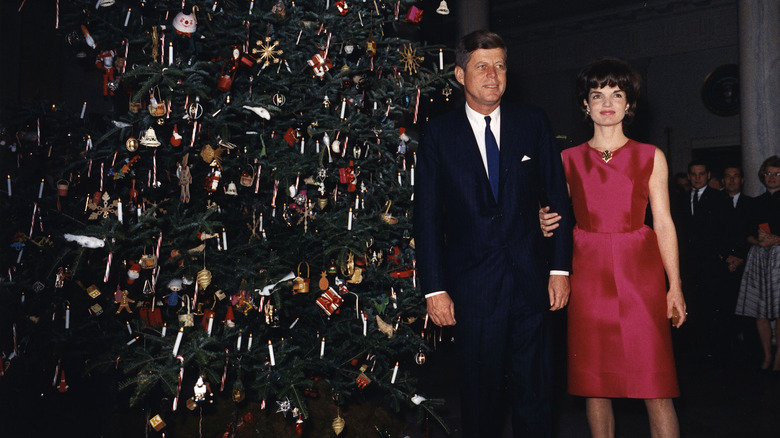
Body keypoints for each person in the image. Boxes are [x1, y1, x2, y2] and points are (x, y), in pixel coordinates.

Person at [414, 29, 573, 438]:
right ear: (459, 74)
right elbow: (427, 216)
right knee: (480, 400)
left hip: (531, 284)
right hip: (472, 289)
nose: (492, 75)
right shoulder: (439, 134)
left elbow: (556, 196)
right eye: (481, 66)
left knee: (536, 397)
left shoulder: (532, 121)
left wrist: (559, 270)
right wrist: (434, 289)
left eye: (499, 65)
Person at [540, 57, 686, 438]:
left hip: (641, 275)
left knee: (655, 385)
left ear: (629, 104)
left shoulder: (650, 156)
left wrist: (676, 286)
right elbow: (551, 218)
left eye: (616, 94)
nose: (607, 102)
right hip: (587, 275)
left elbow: (664, 223)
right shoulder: (566, 160)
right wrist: (541, 221)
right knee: (595, 385)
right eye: (597, 94)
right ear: (585, 105)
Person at [734, 156, 780, 370]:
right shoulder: (755, 202)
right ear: (763, 176)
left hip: (779, 256)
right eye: (769, 173)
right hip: (760, 257)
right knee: (760, 310)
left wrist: (777, 240)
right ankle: (767, 355)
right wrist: (758, 242)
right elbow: (745, 232)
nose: (772, 177)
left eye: (777, 174)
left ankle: (779, 356)